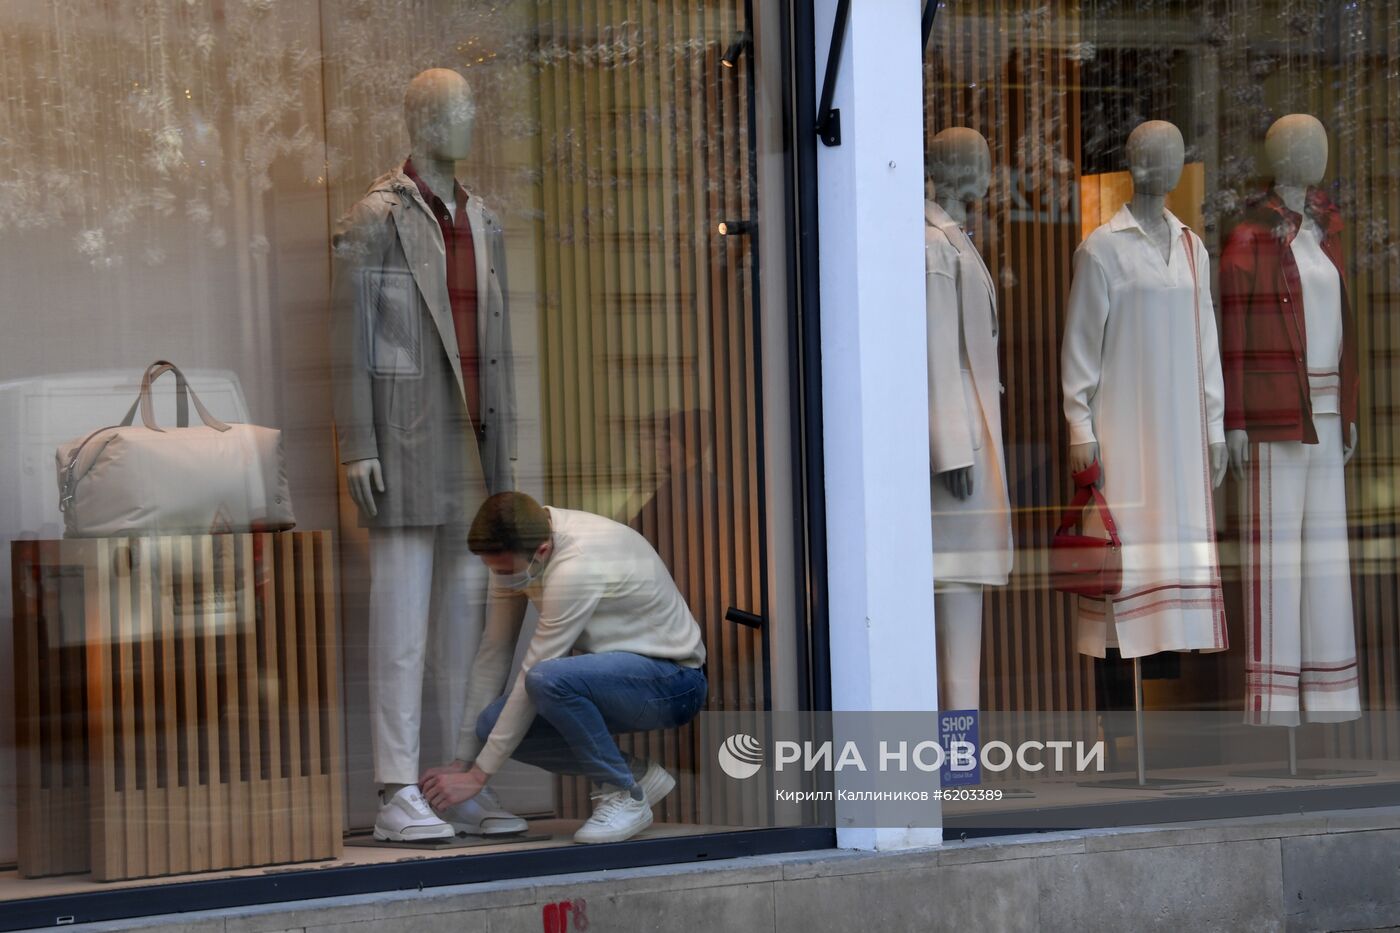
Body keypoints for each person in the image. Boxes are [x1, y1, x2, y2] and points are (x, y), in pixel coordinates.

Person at [420, 492, 709, 844]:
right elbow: (493, 653)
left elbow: (535, 670)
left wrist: (478, 778)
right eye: (492, 568)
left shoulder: (578, 562)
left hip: (674, 682)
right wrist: (463, 761)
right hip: (615, 680)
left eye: (505, 570)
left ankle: (625, 794)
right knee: (490, 723)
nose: (499, 577)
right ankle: (635, 775)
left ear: (541, 551)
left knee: (547, 678)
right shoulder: (521, 551)